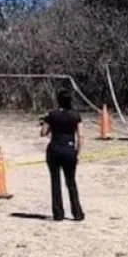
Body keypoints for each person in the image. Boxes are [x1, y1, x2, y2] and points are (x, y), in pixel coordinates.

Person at [40, 89, 85, 221]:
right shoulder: (76, 116)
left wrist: (44, 123)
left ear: (58, 101)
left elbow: (43, 133)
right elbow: (81, 136)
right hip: (69, 150)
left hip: (54, 150)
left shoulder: (52, 115)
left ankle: (58, 213)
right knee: (71, 182)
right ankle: (77, 212)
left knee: (55, 182)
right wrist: (77, 152)